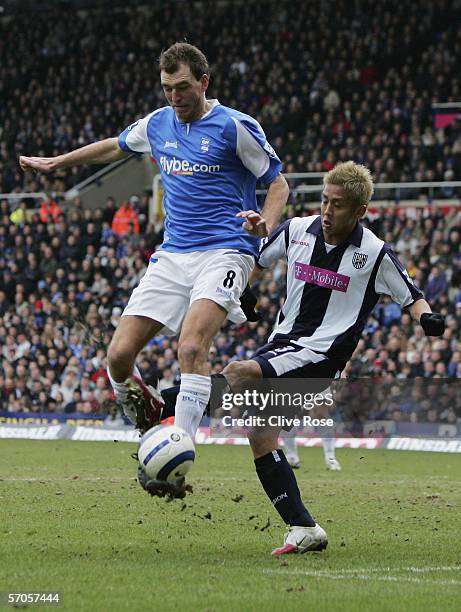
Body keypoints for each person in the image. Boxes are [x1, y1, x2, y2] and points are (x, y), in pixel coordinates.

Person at [19, 42, 289, 496]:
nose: (174, 96)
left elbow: (277, 184)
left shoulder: (235, 127)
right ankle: (151, 418)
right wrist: (60, 162)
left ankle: (176, 463)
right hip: (172, 255)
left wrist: (266, 224)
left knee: (190, 349)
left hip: (225, 251)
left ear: (203, 82)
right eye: (167, 88)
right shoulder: (158, 124)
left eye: (182, 87)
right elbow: (114, 147)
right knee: (118, 357)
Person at [145, 161, 444, 551]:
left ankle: (160, 402)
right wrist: (244, 291)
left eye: (337, 204)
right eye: (324, 200)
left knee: (240, 372)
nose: (327, 209)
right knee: (261, 435)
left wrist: (428, 318)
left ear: (359, 211)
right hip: (283, 343)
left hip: (321, 355)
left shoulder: (373, 253)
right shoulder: (299, 230)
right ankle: (304, 527)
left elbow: (411, 295)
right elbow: (254, 256)